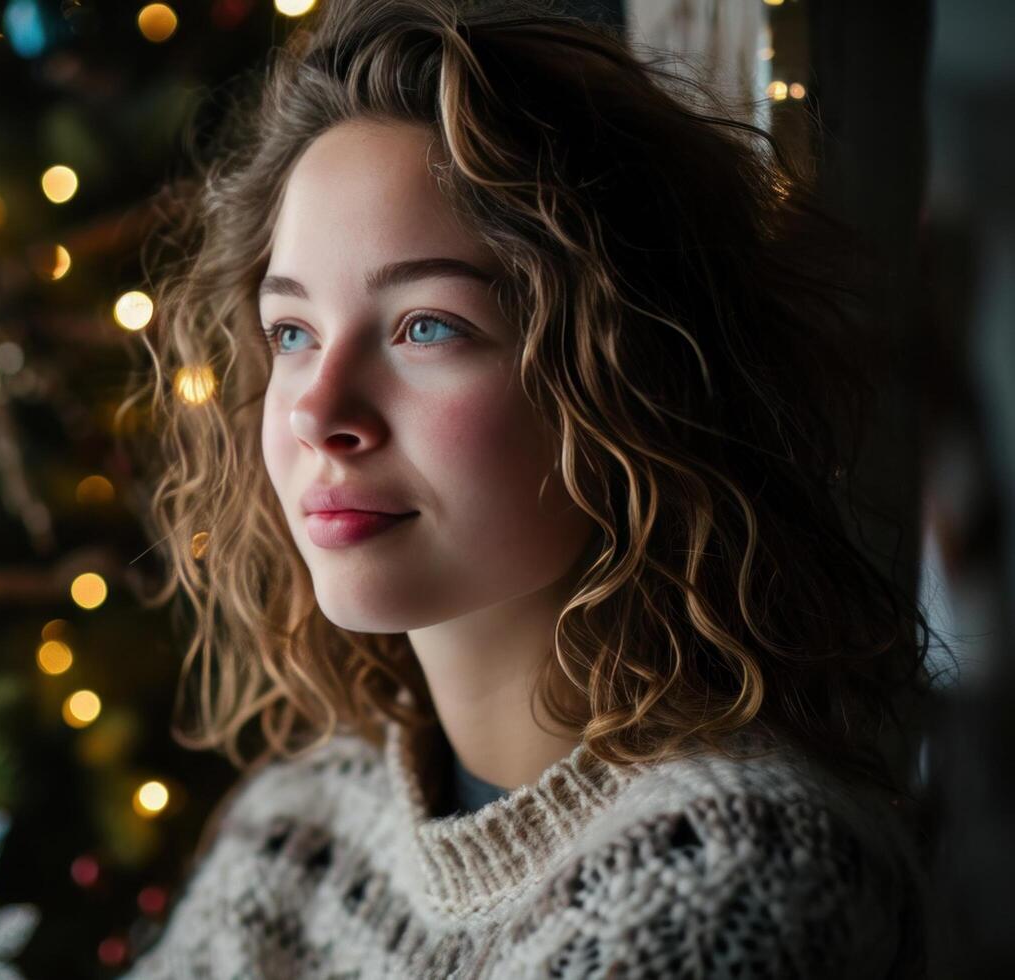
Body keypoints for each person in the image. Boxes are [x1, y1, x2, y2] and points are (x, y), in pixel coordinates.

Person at [117, 0, 937, 976]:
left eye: (426, 325)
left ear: (626, 376)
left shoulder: (739, 870)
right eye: (291, 331)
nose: (318, 409)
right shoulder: (293, 824)